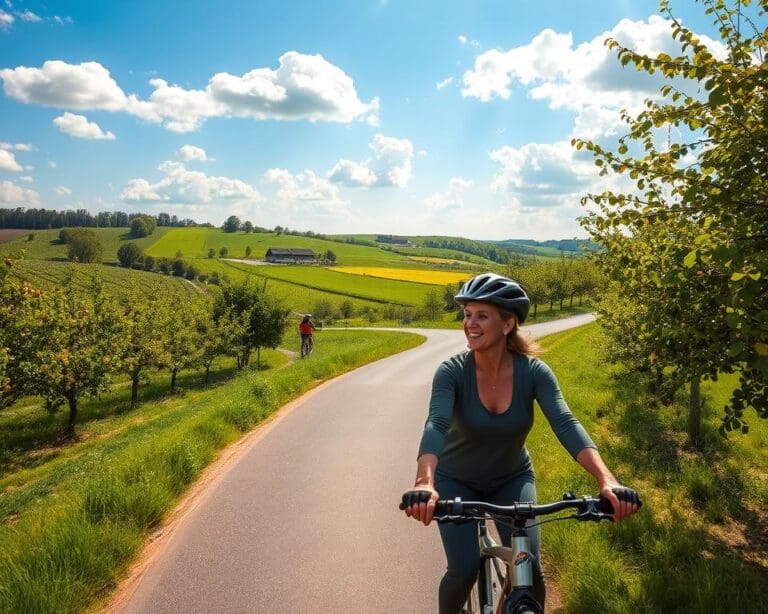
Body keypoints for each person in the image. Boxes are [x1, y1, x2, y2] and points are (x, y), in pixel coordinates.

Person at [400, 272, 640, 613]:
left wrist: (607, 480)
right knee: (463, 568)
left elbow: (566, 423)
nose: (470, 323)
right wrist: (425, 482)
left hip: (511, 479)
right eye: (467, 314)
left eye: (482, 315)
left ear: (508, 324)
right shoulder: (451, 372)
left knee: (530, 574)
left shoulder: (534, 372)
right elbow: (436, 424)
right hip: (456, 480)